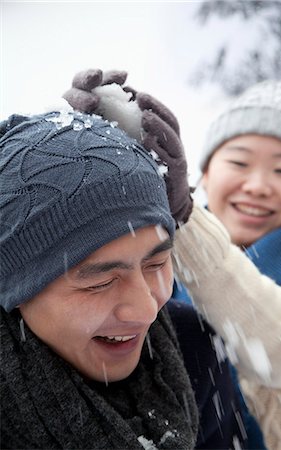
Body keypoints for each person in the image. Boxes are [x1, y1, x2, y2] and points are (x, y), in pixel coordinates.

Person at [63, 72, 281, 450]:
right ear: (205, 171)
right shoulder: (149, 246)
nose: (257, 185)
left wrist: (184, 218)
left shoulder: (182, 235)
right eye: (239, 163)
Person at [0, 111, 248, 449]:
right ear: (14, 290)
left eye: (157, 262)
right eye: (100, 282)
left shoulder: (193, 347)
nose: (146, 309)